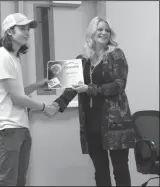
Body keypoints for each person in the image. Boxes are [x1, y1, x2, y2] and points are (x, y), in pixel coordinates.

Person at [45, 16, 134, 186]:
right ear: (92, 33)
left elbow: (119, 85)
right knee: (100, 171)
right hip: (91, 121)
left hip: (115, 122)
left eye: (107, 30)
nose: (104, 33)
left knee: (120, 169)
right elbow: (72, 87)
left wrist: (90, 89)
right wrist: (57, 104)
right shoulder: (82, 59)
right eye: (100, 29)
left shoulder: (116, 55)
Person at [0, 13, 55, 186]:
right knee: (8, 182)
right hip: (7, 127)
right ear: (10, 32)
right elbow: (17, 98)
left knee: (19, 181)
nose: (27, 33)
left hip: (19, 126)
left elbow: (17, 92)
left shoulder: (14, 58)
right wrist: (44, 107)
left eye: (28, 29)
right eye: (22, 29)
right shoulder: (3, 57)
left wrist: (36, 85)